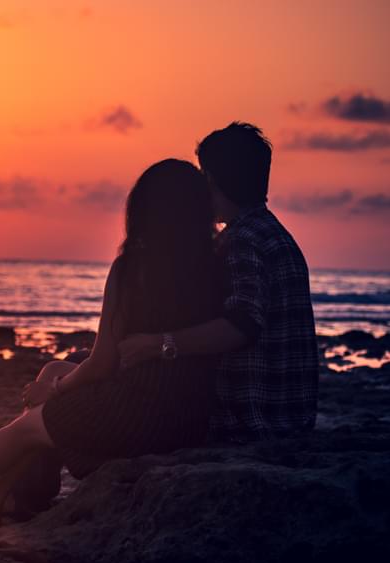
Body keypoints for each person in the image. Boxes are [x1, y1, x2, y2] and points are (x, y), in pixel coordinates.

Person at [0, 158, 223, 526]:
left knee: (29, 426)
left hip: (144, 415)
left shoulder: (134, 268)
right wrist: (58, 380)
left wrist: (55, 390)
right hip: (189, 414)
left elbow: (103, 362)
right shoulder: (218, 264)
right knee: (52, 370)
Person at [118, 123, 319, 442]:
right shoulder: (273, 234)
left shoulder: (242, 240)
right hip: (288, 415)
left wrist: (158, 345)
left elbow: (243, 323)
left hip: (248, 419)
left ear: (211, 181)